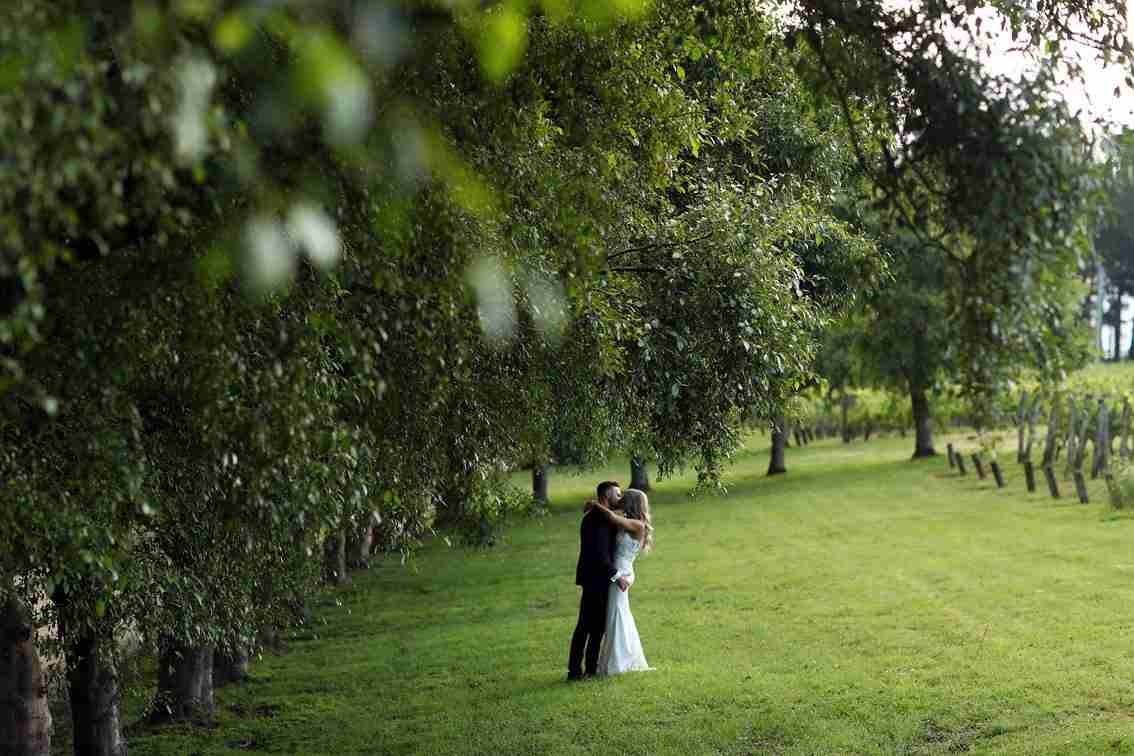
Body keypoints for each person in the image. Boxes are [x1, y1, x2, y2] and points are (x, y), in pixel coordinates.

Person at [567, 480, 628, 681]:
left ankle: (587, 669)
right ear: (606, 496)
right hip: (596, 579)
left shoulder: (597, 516)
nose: (620, 498)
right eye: (617, 495)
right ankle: (579, 671)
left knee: (592, 625)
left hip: (594, 577)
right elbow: (601, 556)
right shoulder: (598, 521)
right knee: (588, 625)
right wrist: (617, 577)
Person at [591, 488, 654, 676]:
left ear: (631, 503)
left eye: (623, 498)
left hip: (621, 574)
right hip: (619, 571)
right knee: (617, 614)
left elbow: (612, 517)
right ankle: (619, 658)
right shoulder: (629, 522)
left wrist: (595, 504)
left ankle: (618, 663)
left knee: (617, 614)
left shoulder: (637, 525)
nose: (619, 500)